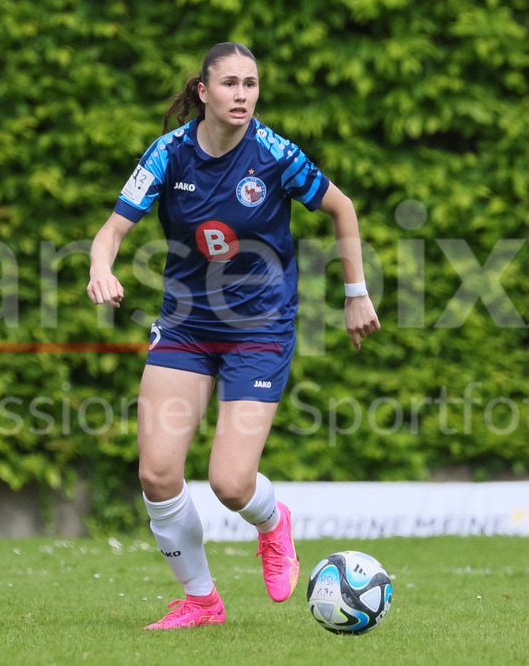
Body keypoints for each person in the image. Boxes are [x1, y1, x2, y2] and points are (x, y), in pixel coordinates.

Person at [87, 41, 380, 630]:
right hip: (186, 325)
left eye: (250, 84)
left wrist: (356, 295)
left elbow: (341, 208)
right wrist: (101, 267)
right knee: (157, 473)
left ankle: (274, 526)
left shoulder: (274, 155)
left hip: (259, 331)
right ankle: (201, 601)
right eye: (229, 84)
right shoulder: (168, 154)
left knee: (229, 482)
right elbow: (112, 230)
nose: (242, 95)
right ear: (203, 91)